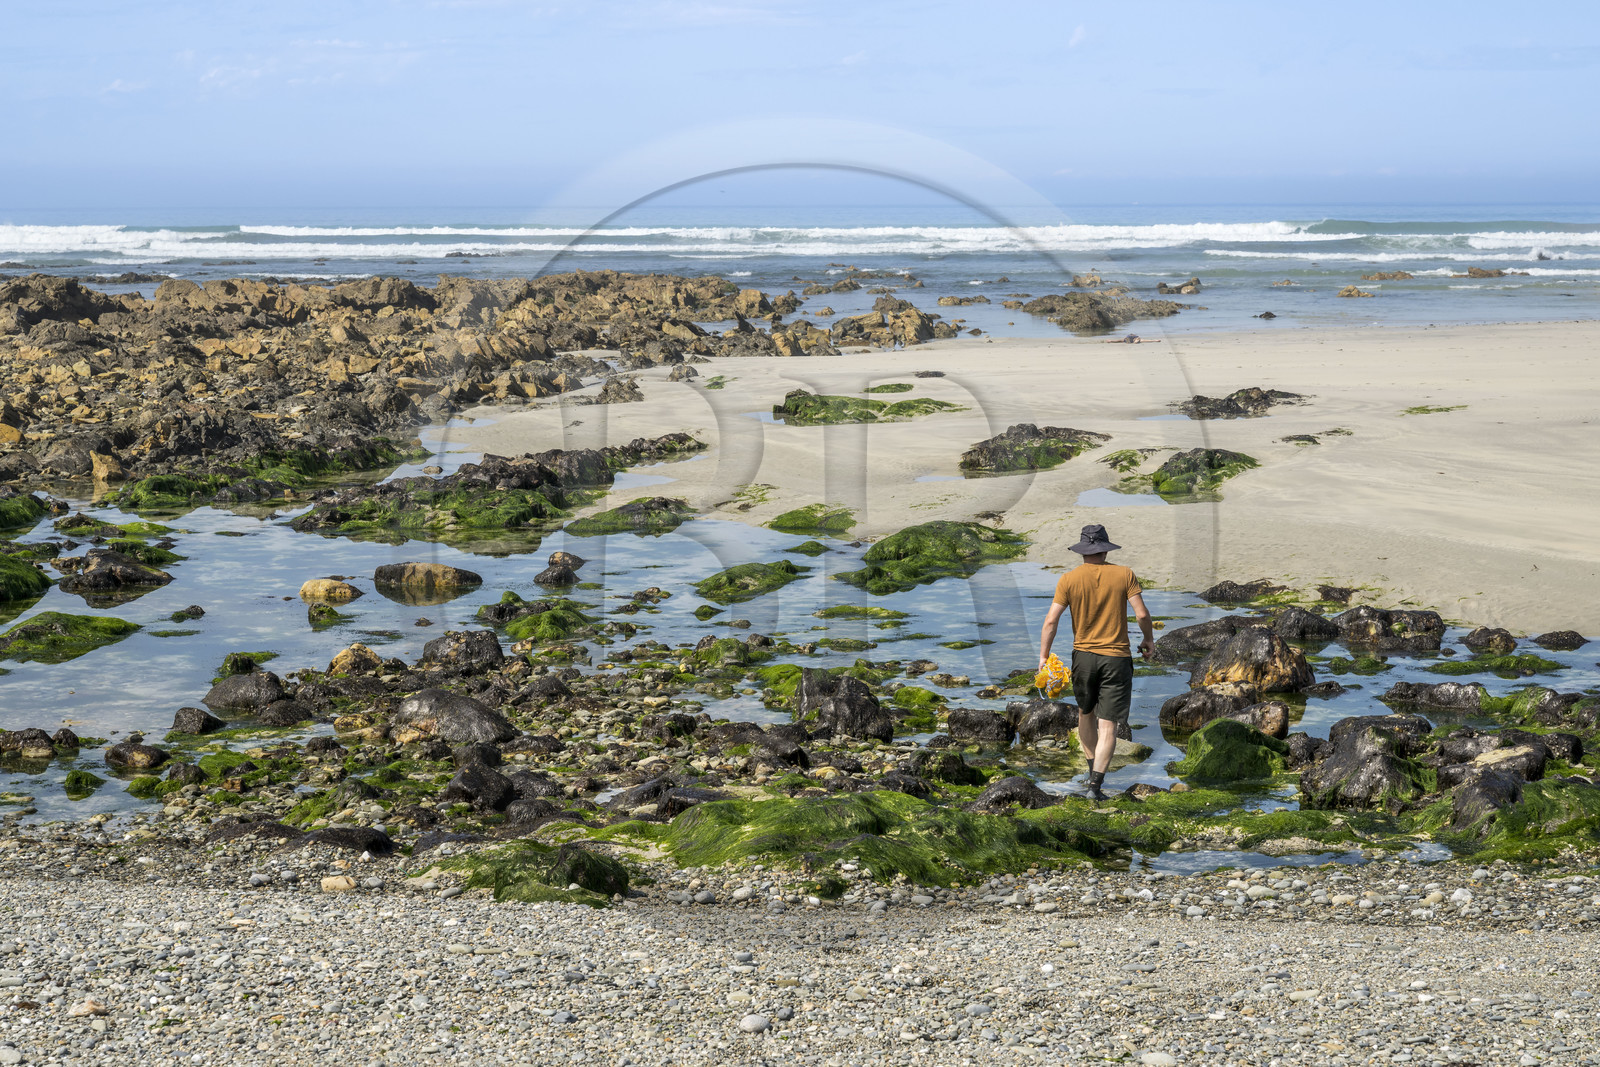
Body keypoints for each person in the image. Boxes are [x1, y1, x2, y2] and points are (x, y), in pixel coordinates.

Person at [1037, 523, 1155, 800]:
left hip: (1084, 658)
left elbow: (1051, 620)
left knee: (1084, 715)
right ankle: (1095, 787)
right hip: (1116, 659)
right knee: (1108, 725)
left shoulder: (1068, 579)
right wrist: (1148, 639)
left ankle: (1092, 772)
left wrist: (1043, 656)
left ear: (1082, 551)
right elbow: (1141, 614)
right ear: (1104, 549)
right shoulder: (1124, 574)